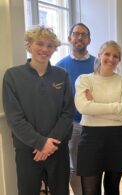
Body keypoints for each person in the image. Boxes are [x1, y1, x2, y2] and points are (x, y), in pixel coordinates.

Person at [2, 26, 74, 195]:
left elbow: (67, 112)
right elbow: (14, 117)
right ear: (29, 45)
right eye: (40, 44)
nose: (44, 49)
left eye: (50, 46)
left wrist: (50, 143)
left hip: (57, 148)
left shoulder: (61, 75)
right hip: (27, 150)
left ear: (55, 49)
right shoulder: (13, 76)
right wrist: (40, 143)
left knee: (60, 191)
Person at [74, 40, 122, 195]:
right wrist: (120, 108)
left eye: (115, 56)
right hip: (91, 137)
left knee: (112, 189)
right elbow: (83, 107)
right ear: (100, 56)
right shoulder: (84, 79)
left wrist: (94, 106)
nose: (111, 58)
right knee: (90, 191)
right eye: (107, 54)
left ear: (119, 60)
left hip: (119, 137)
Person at [56, 22, 95, 195]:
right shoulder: (59, 66)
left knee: (93, 166)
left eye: (84, 34)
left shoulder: (98, 64)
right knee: (75, 167)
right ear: (69, 38)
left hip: (96, 123)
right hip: (73, 125)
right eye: (76, 33)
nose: (80, 37)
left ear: (89, 39)